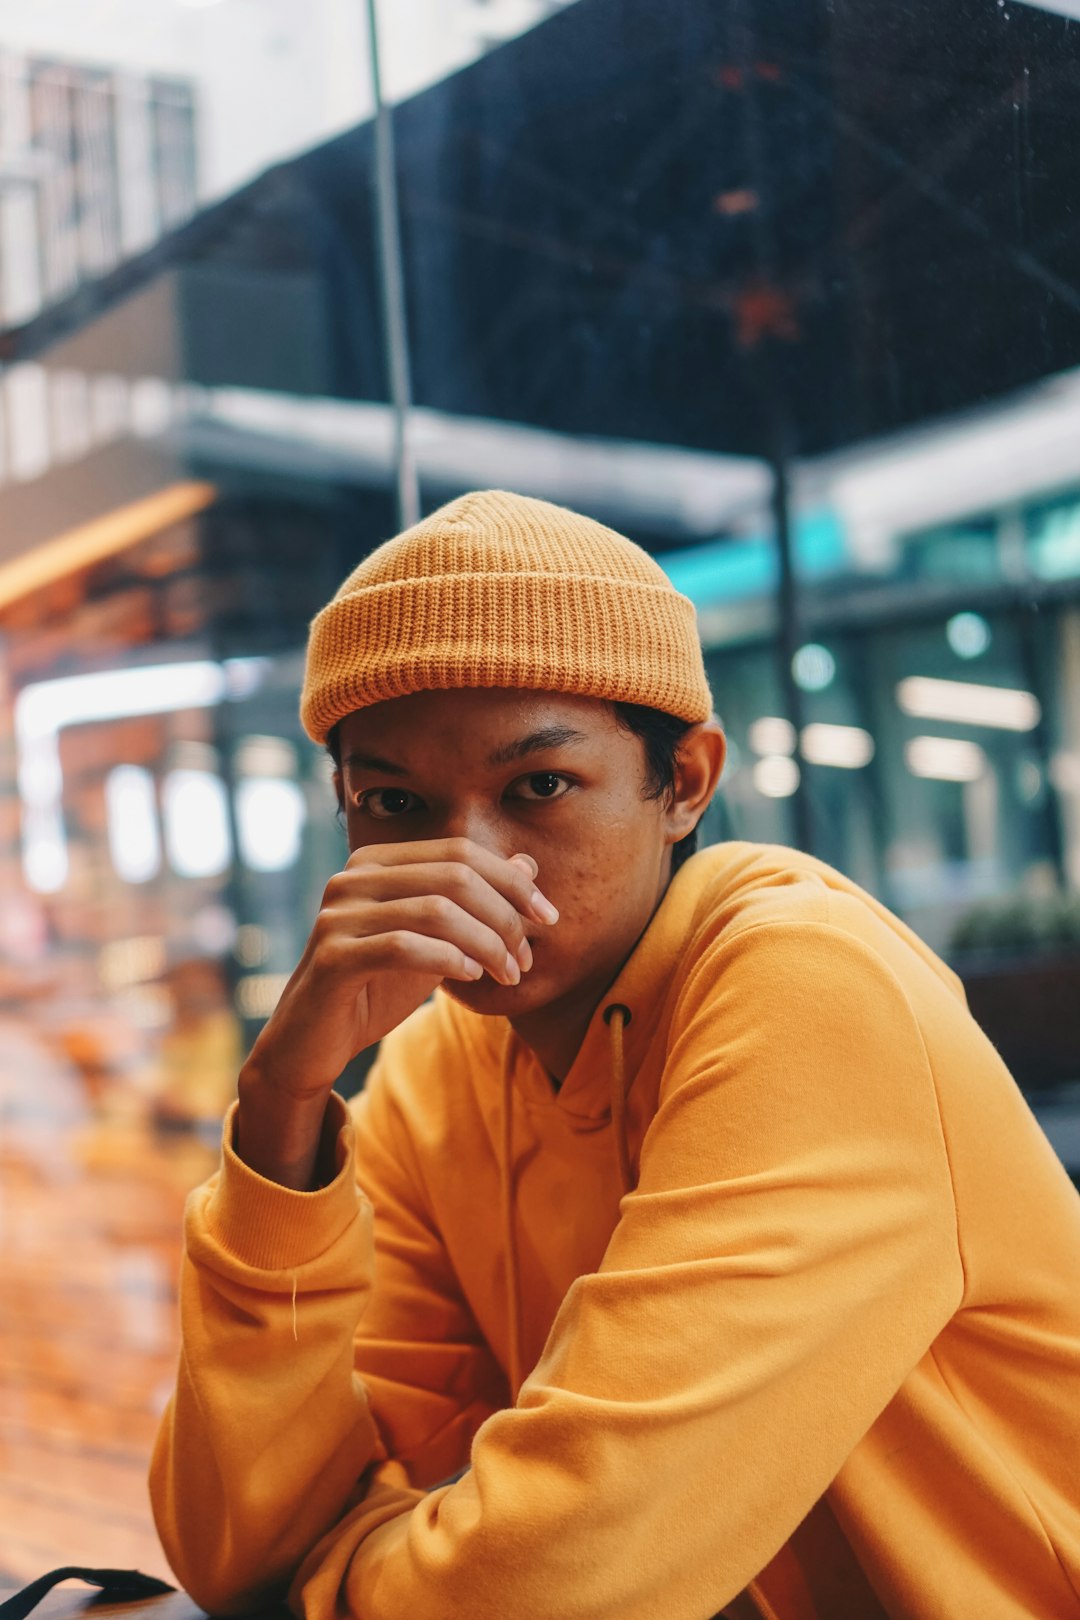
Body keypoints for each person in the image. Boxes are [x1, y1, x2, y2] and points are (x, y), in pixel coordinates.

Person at [150, 490, 1080, 1620]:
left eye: (538, 787)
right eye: (394, 802)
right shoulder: (435, 1070)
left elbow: (552, 1583)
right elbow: (237, 1553)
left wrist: (344, 1578)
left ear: (683, 781)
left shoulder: (808, 985)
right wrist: (280, 1110)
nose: (466, 867)